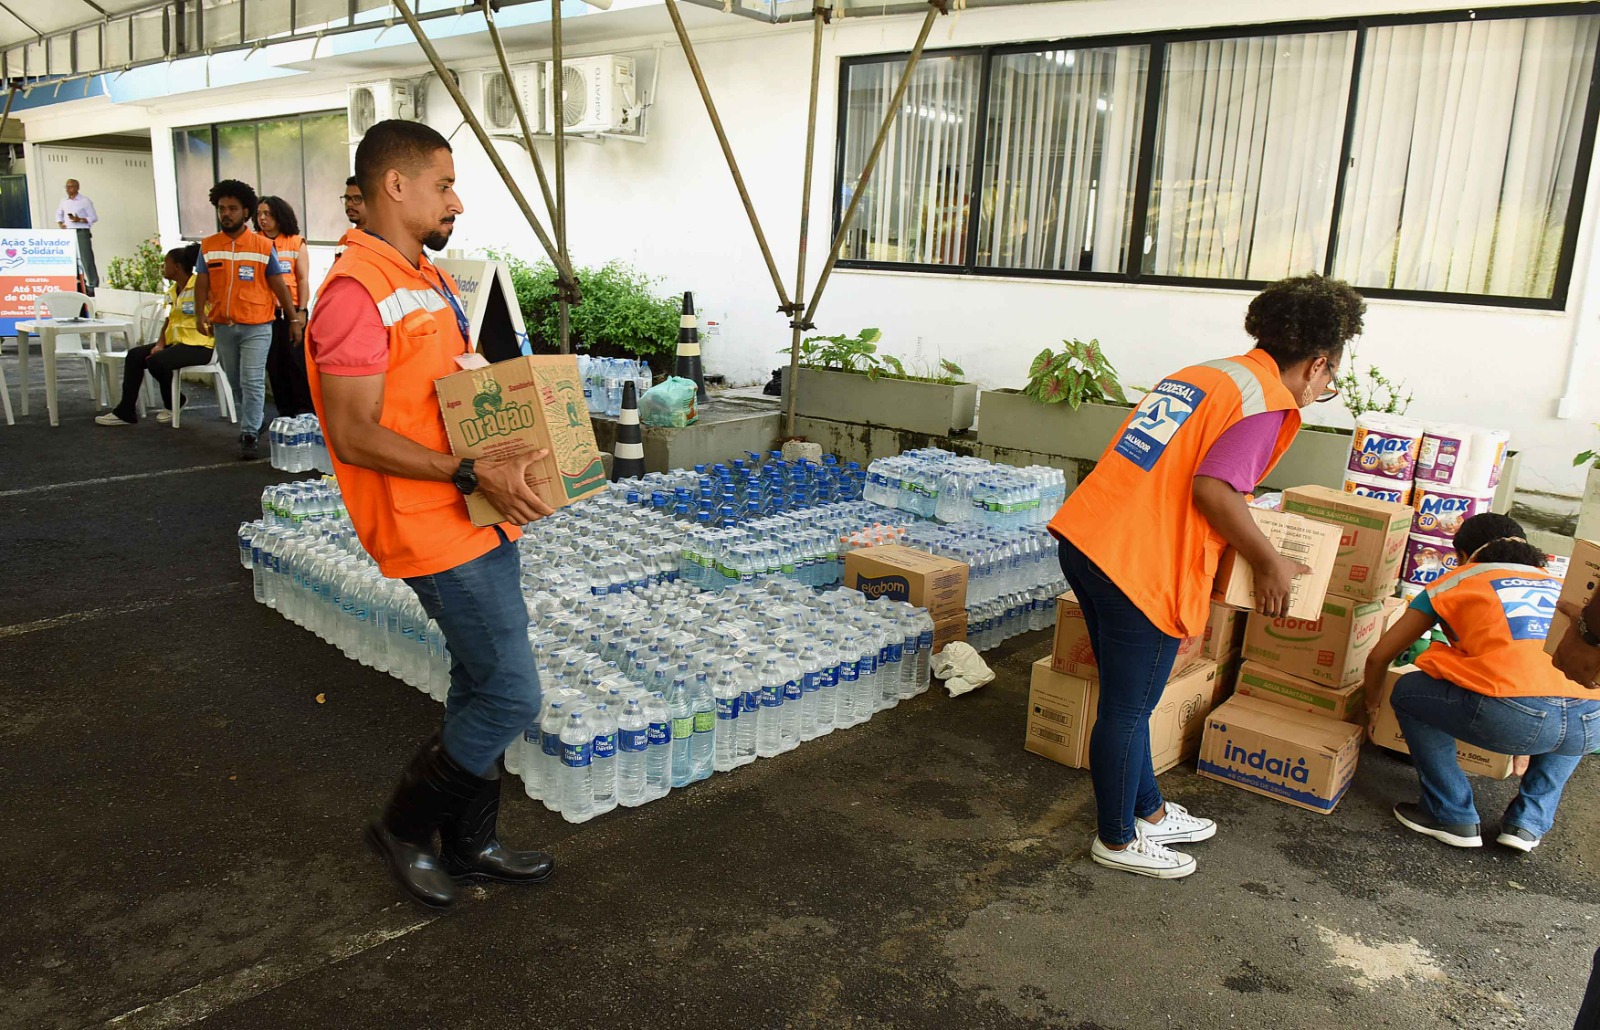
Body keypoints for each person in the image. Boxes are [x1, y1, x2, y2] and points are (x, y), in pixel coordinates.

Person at [307, 119, 556, 910]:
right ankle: (404, 827)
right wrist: (469, 469)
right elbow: (353, 432)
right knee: (512, 695)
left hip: (478, 510)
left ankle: (471, 843)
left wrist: (520, 437)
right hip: (432, 523)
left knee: (478, 683)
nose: (457, 201)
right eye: (444, 184)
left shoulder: (424, 274)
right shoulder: (356, 293)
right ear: (396, 184)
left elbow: (452, 389)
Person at [1046, 274, 1363, 879]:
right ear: (1318, 363)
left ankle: (1150, 813)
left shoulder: (1206, 375)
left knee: (1128, 701)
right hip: (1139, 564)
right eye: (1330, 380)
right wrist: (1269, 561)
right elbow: (1213, 488)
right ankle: (1116, 840)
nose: (1323, 389)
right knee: (1127, 710)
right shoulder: (1265, 401)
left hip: (1091, 538)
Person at [1362, 514, 1599, 851]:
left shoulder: (1456, 581)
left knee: (1407, 691)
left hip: (1512, 715)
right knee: (1575, 706)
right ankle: (1528, 823)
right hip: (1591, 724)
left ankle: (1450, 814)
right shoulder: (1559, 584)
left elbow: (1379, 657)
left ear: (1462, 555)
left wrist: (1372, 708)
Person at [193, 179, 300, 460]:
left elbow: (279, 285)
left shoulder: (263, 246)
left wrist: (293, 320)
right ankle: (256, 418)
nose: (226, 213)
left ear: (245, 212)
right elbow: (202, 282)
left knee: (252, 380)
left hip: (257, 325)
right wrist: (199, 314)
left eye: (232, 208)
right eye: (221, 208)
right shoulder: (208, 246)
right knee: (235, 380)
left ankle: (249, 432)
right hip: (223, 325)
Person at [94, 244, 211, 426]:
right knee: (135, 355)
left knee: (157, 361)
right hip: (176, 343)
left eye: (166, 263)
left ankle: (174, 402)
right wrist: (159, 344)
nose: (162, 267)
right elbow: (169, 321)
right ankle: (125, 412)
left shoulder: (201, 286)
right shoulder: (172, 291)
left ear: (177, 267)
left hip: (200, 345)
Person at [255, 195, 313, 418]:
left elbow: (303, 279)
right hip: (265, 314)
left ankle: (305, 412)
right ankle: (284, 412)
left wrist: (302, 311)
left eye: (267, 214)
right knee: (274, 365)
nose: (262, 218)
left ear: (279, 216)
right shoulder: (254, 242)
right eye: (259, 214)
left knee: (296, 363)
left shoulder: (295, 242)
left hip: (291, 313)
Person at [56, 179, 99, 290]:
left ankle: (93, 285)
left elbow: (94, 217)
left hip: (81, 231)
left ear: (77, 187)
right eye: (67, 187)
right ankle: (79, 284)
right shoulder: (63, 201)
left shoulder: (85, 201)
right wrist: (60, 223)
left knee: (86, 258)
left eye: (71, 186)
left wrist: (79, 219)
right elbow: (59, 214)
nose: (68, 189)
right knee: (72, 259)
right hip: (68, 232)